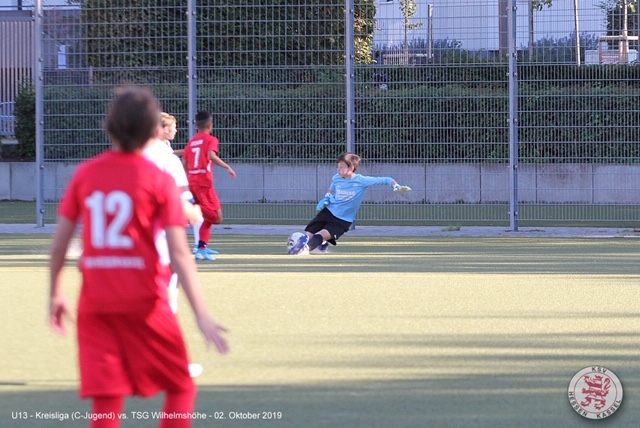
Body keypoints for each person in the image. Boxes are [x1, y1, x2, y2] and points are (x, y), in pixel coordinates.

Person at [49, 86, 229, 428]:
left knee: (107, 398)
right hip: (146, 302)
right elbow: (179, 253)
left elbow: (59, 245)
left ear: (109, 127)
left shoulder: (86, 174)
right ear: (152, 130)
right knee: (180, 387)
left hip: (96, 305)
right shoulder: (158, 179)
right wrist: (201, 314)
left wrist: (56, 293)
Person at [288, 152, 411, 255]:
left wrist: (396, 186)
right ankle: (314, 245)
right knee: (309, 232)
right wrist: (327, 197)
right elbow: (332, 188)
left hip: (343, 220)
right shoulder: (336, 177)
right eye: (338, 166)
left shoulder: (361, 180)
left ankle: (306, 249)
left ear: (351, 168)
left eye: (341, 167)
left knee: (322, 234)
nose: (338, 169)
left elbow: (386, 179)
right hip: (329, 211)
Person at [182, 111, 236, 261]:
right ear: (210, 125)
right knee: (216, 217)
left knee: (211, 218)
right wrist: (227, 167)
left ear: (196, 125)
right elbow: (211, 155)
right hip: (204, 183)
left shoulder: (192, 141)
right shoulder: (211, 139)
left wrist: (189, 176)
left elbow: (184, 162)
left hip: (193, 181)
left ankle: (201, 248)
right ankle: (188, 207)